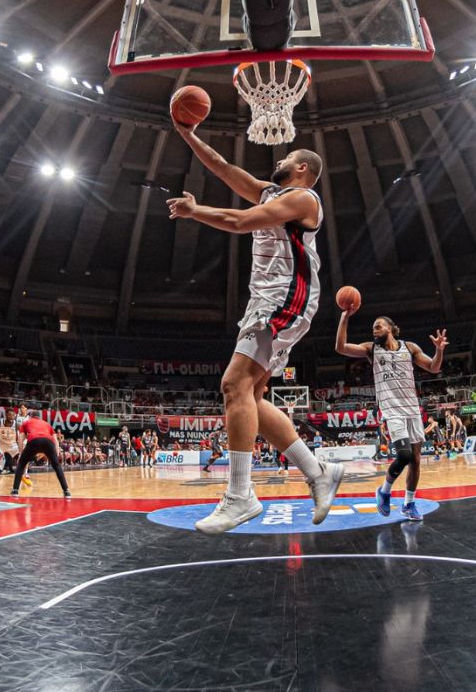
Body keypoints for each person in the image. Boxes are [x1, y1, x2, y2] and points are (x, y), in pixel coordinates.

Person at [168, 122, 343, 534]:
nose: (278, 160)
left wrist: (196, 212)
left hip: (284, 297)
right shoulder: (274, 192)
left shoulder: (303, 198)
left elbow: (238, 220)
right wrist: (188, 134)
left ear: (301, 168)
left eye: (286, 159)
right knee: (252, 396)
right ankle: (318, 471)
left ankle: (241, 496)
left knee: (233, 385)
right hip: (268, 298)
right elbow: (226, 169)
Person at [335, 310, 446, 522]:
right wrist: (345, 317)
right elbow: (341, 347)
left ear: (390, 328)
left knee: (415, 461)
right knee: (404, 455)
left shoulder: (410, 347)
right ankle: (384, 491)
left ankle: (408, 504)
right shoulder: (371, 349)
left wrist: (439, 350)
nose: (374, 330)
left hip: (412, 409)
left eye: (378, 326)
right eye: (373, 327)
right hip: (391, 410)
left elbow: (433, 367)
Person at [11, 413, 70, 498]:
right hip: (48, 442)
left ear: (30, 417)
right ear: (40, 417)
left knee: (21, 464)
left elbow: (20, 438)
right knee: (57, 466)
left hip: (34, 441)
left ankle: (15, 490)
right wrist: (56, 453)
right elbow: (55, 440)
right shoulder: (46, 424)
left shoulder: (26, 422)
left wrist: (21, 453)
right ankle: (66, 491)